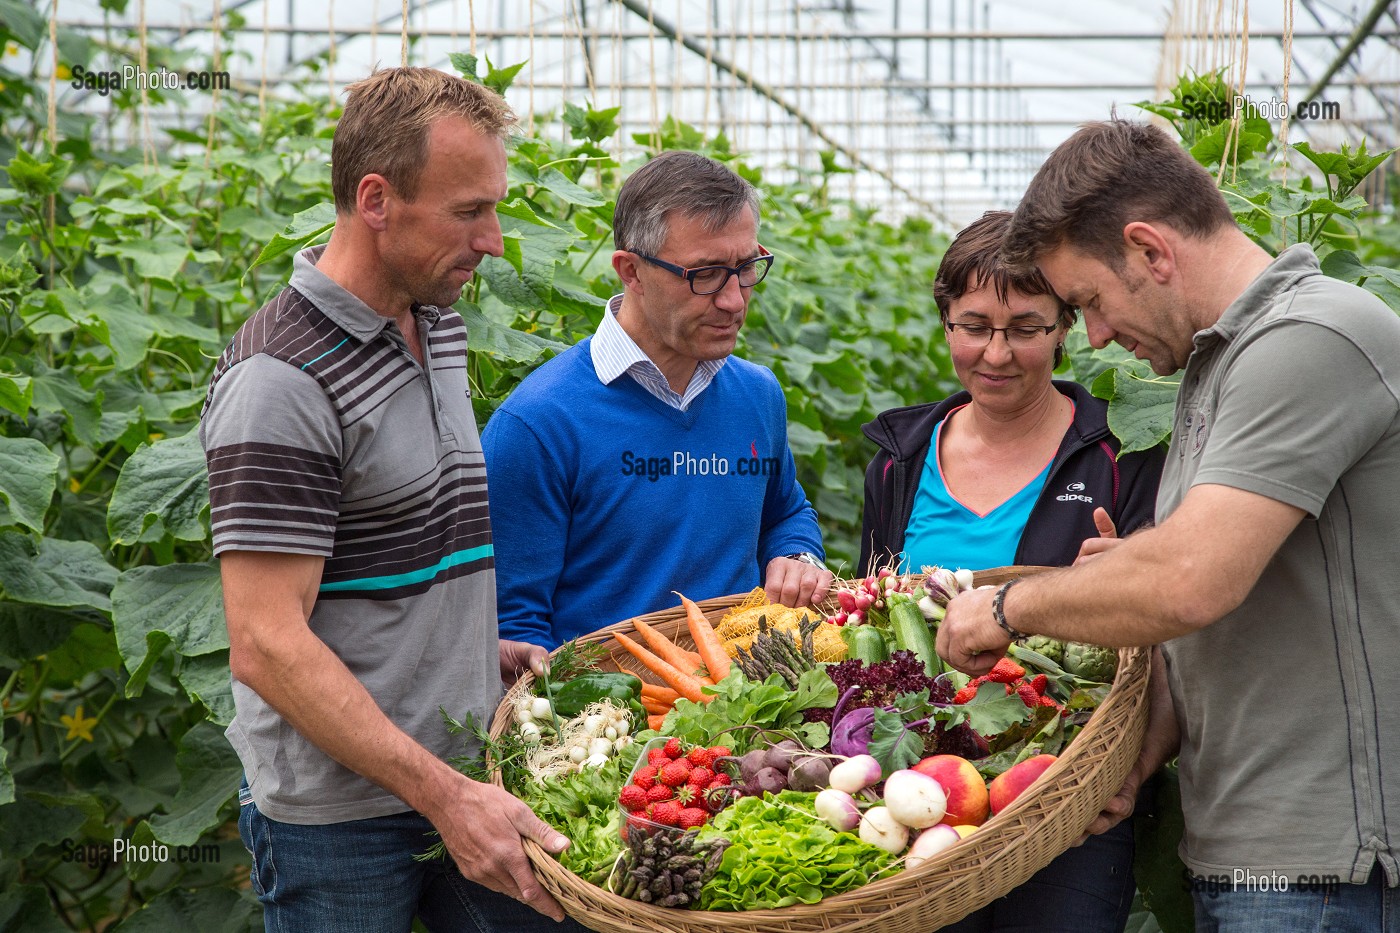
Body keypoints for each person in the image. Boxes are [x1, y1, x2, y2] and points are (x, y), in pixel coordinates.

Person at [936, 118, 1400, 932]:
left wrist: (1006, 609)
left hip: (1329, 867)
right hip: (1252, 850)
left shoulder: (1310, 337)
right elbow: (1234, 596)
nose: (1101, 334)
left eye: (1088, 302)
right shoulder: (1219, 365)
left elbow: (1191, 579)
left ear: (1150, 250)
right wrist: (1144, 747)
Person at [201, 67, 586, 931]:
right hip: (340, 822)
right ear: (376, 199)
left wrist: (469, 648)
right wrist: (446, 795)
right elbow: (266, 642)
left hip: (459, 763)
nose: (492, 240)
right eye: (467, 211)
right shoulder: (282, 379)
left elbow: (391, 548)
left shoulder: (433, 319)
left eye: (494, 207)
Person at [859, 209, 1164, 932]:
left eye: (1025, 327)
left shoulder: (1119, 454)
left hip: (1067, 790)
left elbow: (1164, 626)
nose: (996, 353)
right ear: (945, 323)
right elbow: (872, 608)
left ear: (1066, 327)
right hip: (921, 792)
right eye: (973, 325)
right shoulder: (899, 461)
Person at [483, 150, 833, 650]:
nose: (734, 300)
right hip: (616, 714)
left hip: (752, 700)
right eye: (705, 274)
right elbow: (512, 627)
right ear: (631, 270)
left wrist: (796, 555)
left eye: (746, 267)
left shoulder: (757, 395)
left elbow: (785, 510)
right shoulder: (539, 424)